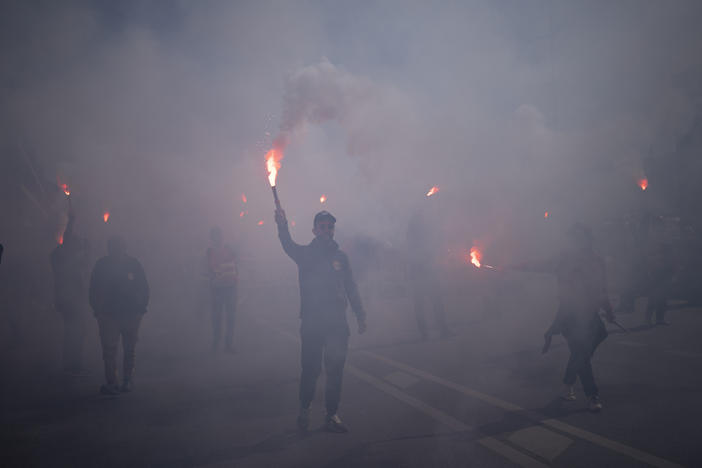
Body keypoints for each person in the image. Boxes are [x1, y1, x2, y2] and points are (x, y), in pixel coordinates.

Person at [274, 209, 366, 433]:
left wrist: (360, 314)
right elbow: (287, 244)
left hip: (337, 324)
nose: (327, 230)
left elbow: (351, 287)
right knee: (311, 369)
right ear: (315, 230)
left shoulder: (340, 257)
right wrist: (282, 224)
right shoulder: (305, 254)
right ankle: (304, 409)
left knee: (335, 369)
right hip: (313, 323)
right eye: (322, 226)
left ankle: (331, 415)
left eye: (330, 227)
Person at [514, 223, 615, 412]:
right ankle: (592, 396)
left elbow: (601, 289)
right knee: (582, 354)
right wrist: (511, 267)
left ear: (587, 240)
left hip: (589, 314)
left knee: (588, 346)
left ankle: (568, 383)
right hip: (569, 314)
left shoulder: (596, 261)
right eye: (573, 239)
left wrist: (608, 310)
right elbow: (538, 265)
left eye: (579, 238)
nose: (575, 242)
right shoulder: (564, 260)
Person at [89, 236, 149, 395]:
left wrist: (141, 309)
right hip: (109, 315)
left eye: (119, 247)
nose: (116, 250)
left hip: (130, 313)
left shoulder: (133, 264)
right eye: (113, 247)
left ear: (124, 248)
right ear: (109, 249)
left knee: (129, 349)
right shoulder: (102, 265)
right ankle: (112, 383)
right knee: (109, 350)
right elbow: (93, 288)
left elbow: (143, 287)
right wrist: (97, 310)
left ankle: (127, 381)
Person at [50, 209, 91, 376]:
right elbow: (68, 242)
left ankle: (74, 362)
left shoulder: (62, 257)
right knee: (74, 331)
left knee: (75, 331)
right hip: (69, 299)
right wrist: (71, 221)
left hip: (69, 299)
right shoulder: (61, 257)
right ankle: (72, 364)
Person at [406, 211, 449, 339]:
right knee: (422, 302)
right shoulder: (414, 234)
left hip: (427, 269)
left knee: (435, 300)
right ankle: (426, 332)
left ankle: (441, 329)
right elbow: (413, 253)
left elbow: (431, 248)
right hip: (419, 270)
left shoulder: (421, 233)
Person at [206, 227, 238, 352]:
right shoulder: (210, 251)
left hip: (229, 286)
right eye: (216, 236)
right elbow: (210, 268)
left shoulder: (228, 249)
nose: (219, 238)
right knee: (217, 317)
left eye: (220, 236)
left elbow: (234, 264)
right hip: (218, 288)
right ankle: (217, 343)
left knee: (230, 317)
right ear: (213, 238)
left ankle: (228, 344)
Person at [644, 243, 676, 326]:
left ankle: (659, 319)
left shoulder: (668, 259)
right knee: (653, 301)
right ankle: (649, 320)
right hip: (656, 283)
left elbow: (671, 271)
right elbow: (650, 271)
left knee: (662, 301)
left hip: (663, 283)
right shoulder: (656, 258)